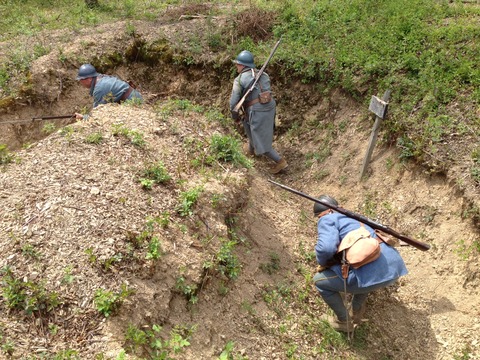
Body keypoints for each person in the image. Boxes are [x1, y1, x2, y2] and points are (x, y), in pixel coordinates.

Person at [312, 195, 408, 332]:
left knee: (319, 281)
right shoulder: (354, 218)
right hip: (394, 270)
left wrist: (322, 263)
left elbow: (326, 249)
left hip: (373, 273)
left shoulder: (327, 219)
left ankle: (344, 321)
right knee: (364, 271)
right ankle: (356, 311)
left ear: (322, 214)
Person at [229, 50, 287, 174]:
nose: (236, 66)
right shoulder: (264, 75)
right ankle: (251, 149)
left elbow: (233, 103)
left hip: (257, 110)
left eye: (238, 64)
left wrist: (235, 116)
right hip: (269, 106)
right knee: (247, 123)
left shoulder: (239, 80)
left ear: (243, 65)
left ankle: (279, 161)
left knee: (261, 140)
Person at [75, 64, 143, 120]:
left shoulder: (100, 89)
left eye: (81, 80)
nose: (80, 82)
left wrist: (83, 117)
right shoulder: (101, 79)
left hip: (133, 102)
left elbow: (98, 114)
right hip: (134, 97)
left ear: (89, 79)